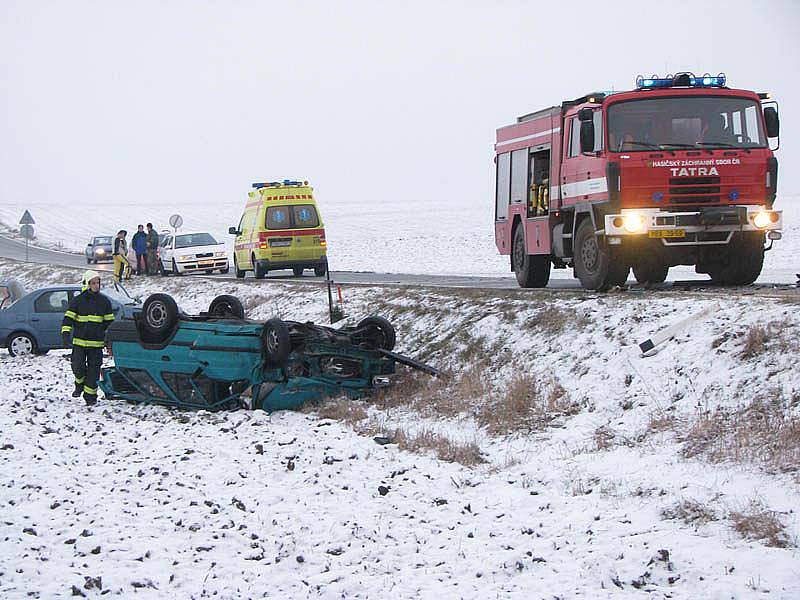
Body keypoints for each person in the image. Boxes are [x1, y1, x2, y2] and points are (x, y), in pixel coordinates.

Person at [61, 270, 115, 405]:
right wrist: (65, 334)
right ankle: (79, 384)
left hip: (96, 345)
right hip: (79, 343)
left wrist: (110, 339)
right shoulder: (78, 301)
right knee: (77, 367)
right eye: (93, 283)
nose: (96, 286)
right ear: (86, 284)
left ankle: (90, 398)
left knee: (94, 371)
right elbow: (68, 319)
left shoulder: (104, 302)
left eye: (98, 283)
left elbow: (110, 323)